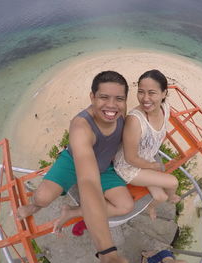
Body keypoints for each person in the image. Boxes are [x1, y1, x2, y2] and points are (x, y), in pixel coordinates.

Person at [17, 71, 134, 263]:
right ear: (92, 97)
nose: (112, 105)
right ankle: (33, 206)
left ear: (124, 100)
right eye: (104, 97)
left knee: (125, 205)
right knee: (42, 197)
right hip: (73, 162)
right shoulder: (81, 127)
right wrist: (107, 252)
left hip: (104, 166)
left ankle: (72, 212)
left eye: (119, 99)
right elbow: (88, 181)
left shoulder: (121, 112)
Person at [114, 69, 180, 220]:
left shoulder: (165, 108)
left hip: (145, 157)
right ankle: (173, 197)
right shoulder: (135, 121)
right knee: (173, 182)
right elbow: (130, 158)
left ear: (164, 93)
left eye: (152, 93)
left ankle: (151, 207)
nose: (145, 98)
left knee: (160, 196)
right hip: (128, 166)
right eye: (141, 92)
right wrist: (152, 166)